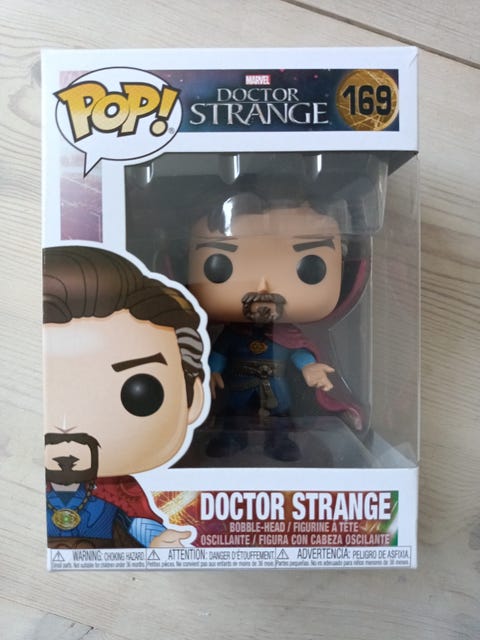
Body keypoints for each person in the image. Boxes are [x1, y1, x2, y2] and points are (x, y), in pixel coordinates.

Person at [43, 245, 207, 548]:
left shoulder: (122, 492)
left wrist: (157, 538)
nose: (67, 426)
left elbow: (134, 521)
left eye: (139, 392)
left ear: (192, 399)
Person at [188, 188, 368, 462]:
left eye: (310, 267)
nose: (263, 288)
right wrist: (211, 372)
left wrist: (309, 367)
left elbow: (298, 351)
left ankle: (279, 441)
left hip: (276, 385)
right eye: (219, 265)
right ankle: (231, 438)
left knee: (280, 417)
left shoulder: (289, 334)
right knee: (233, 415)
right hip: (239, 385)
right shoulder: (233, 333)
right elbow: (220, 352)